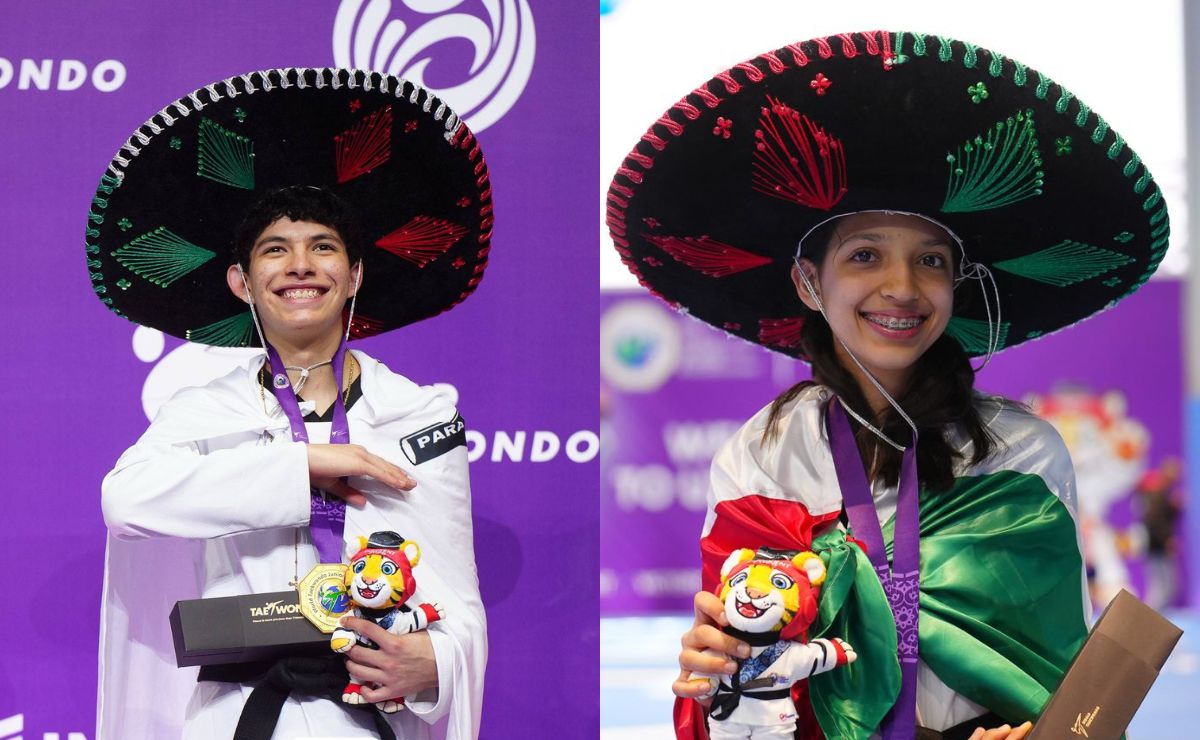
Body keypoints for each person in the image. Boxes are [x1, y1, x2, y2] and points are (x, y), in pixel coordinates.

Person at [605, 31, 1168, 740]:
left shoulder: (1023, 452)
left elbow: (1058, 681)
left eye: (930, 259)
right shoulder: (764, 455)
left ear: (957, 283)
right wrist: (718, 671)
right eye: (865, 255)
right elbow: (744, 676)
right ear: (810, 282)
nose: (901, 288)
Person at [90, 69, 493, 739]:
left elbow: (459, 599)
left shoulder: (418, 417)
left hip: (371, 720)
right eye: (275, 251)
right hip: (236, 720)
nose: (300, 266)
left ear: (355, 275)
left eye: (323, 248)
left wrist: (437, 665)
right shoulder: (202, 408)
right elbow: (126, 502)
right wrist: (301, 468)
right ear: (242, 283)